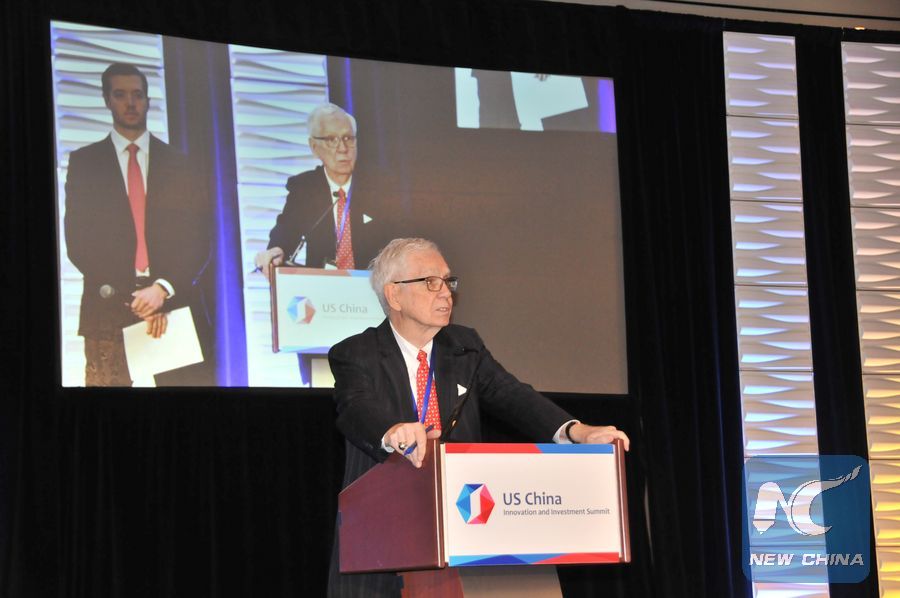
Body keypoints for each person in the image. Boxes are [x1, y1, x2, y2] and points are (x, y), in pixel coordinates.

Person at [327, 237, 630, 597]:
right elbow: (355, 407)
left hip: (463, 530)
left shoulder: (464, 347)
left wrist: (577, 431)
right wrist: (391, 430)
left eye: (448, 281)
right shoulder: (356, 352)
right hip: (383, 539)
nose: (446, 293)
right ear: (394, 295)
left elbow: (511, 394)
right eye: (430, 282)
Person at [64, 63, 210, 386]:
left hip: (172, 306)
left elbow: (199, 239)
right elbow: (78, 242)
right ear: (107, 100)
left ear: (147, 100)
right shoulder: (86, 163)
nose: (130, 103)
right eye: (120, 95)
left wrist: (161, 289)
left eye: (137, 95)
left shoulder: (180, 164)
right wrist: (136, 298)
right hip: (107, 308)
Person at [254, 103, 386, 272]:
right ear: (314, 147)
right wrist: (276, 250)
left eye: (348, 138)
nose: (343, 148)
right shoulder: (305, 188)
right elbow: (287, 228)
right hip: (322, 285)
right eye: (332, 140)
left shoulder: (379, 186)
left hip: (370, 283)